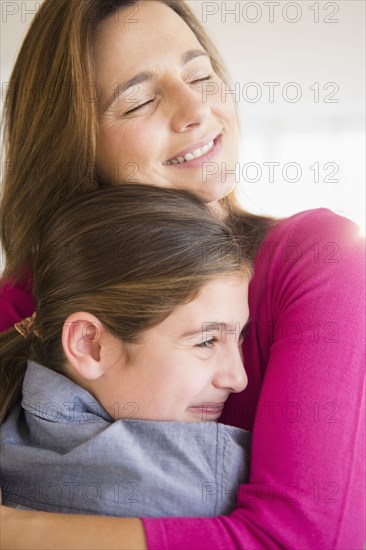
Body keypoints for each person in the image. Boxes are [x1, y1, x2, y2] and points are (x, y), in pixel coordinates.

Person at [0, 1, 364, 549]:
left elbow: (302, 539)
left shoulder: (320, 258)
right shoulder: (23, 307)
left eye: (201, 75)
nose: (197, 108)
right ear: (72, 145)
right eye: (140, 100)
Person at [0, 184, 252, 517]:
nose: (238, 379)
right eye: (206, 341)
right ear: (90, 345)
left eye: (240, 337)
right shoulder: (204, 479)